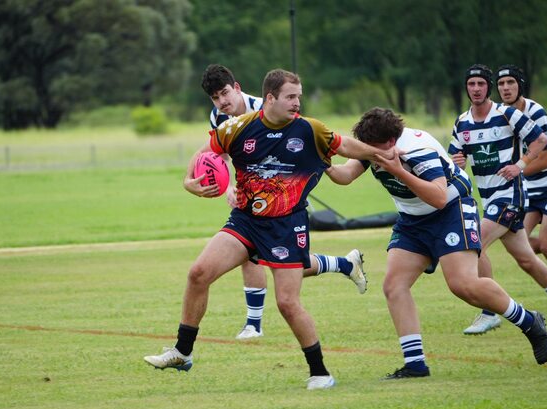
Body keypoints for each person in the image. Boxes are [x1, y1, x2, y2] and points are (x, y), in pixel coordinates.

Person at [145, 69, 393, 390]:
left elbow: (346, 146)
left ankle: (320, 373)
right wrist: (188, 182)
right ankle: (183, 352)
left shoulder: (310, 129)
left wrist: (381, 154)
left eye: (299, 96)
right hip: (246, 220)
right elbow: (205, 153)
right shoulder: (236, 127)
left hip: (286, 225)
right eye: (291, 97)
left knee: (287, 303)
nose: (297, 102)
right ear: (271, 98)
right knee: (198, 273)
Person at [326, 107, 547, 379]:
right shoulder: (374, 148)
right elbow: (345, 176)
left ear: (391, 142)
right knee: (394, 286)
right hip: (412, 219)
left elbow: (439, 197)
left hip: (451, 211)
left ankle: (529, 321)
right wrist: (322, 162)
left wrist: (398, 171)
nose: (368, 152)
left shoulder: (418, 151)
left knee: (463, 285)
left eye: (372, 147)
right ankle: (415, 365)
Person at [196, 64, 367, 340]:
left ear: (237, 88)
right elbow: (222, 156)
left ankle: (254, 325)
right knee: (263, 256)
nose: (222, 101)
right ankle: (345, 265)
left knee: (271, 260)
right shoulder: (218, 117)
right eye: (215, 97)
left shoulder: (264, 108)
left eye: (225, 93)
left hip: (286, 195)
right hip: (254, 197)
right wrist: (229, 187)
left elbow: (298, 137)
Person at [448, 64, 547, 335]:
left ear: (488, 87)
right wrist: (457, 162)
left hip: (510, 196)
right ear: (466, 88)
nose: (476, 89)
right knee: (528, 260)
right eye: (471, 84)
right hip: (488, 198)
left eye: (481, 84)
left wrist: (520, 165)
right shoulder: (462, 122)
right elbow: (456, 158)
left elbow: (541, 140)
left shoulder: (507, 114)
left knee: (475, 244)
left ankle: (490, 312)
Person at [493, 64, 547, 333]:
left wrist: (515, 170)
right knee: (522, 247)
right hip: (527, 187)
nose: (505, 88)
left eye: (510, 83)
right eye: (501, 84)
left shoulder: (535, 112)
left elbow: (545, 158)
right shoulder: (501, 115)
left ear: (520, 85)